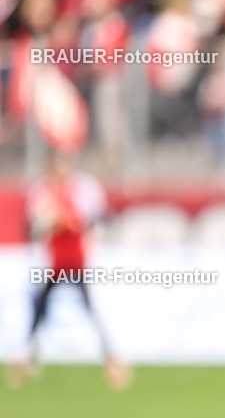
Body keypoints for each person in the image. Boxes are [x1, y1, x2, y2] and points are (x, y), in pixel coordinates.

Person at [6, 152, 131, 391]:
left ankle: (112, 357)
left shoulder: (83, 189)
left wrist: (59, 220)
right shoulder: (42, 191)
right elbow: (35, 224)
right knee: (39, 308)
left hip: (77, 261)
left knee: (90, 310)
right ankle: (26, 357)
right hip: (55, 263)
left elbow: (84, 219)